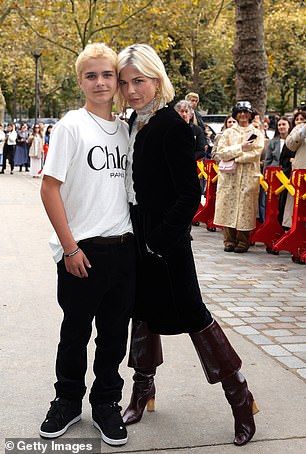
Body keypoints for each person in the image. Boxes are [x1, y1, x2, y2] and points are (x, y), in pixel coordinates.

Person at [117, 43, 258, 447]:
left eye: (139, 81)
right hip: (138, 230)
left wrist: (161, 238)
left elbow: (189, 193)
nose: (131, 90)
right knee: (141, 313)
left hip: (167, 236)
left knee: (194, 315)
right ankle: (142, 390)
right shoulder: (131, 123)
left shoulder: (172, 125)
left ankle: (240, 396)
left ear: (157, 80)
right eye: (125, 83)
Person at [39, 43, 136, 447]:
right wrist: (70, 247)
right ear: (80, 81)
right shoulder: (70, 126)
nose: (100, 82)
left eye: (107, 75)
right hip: (83, 251)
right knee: (75, 332)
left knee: (114, 335)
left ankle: (106, 403)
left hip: (124, 248)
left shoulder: (127, 130)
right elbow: (49, 189)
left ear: (117, 81)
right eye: (91, 75)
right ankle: (66, 401)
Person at [213, 101, 264, 253]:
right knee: (228, 205)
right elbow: (221, 152)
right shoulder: (228, 133)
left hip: (249, 175)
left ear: (250, 115)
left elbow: (256, 153)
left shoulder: (256, 133)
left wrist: (236, 158)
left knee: (246, 208)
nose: (243, 115)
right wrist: (240, 148)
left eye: (246, 112)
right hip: (230, 176)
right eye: (240, 112)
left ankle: (243, 241)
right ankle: (228, 240)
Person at [263, 116, 291, 224]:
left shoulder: (293, 141)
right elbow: (267, 160)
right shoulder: (272, 142)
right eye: (279, 125)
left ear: (289, 126)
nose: (281, 127)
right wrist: (265, 175)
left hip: (287, 176)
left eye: (284, 124)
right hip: (274, 175)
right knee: (272, 202)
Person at [282, 109, 306, 229]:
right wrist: (302, 131)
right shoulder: (300, 128)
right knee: (297, 204)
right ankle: (292, 229)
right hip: (301, 170)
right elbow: (290, 145)